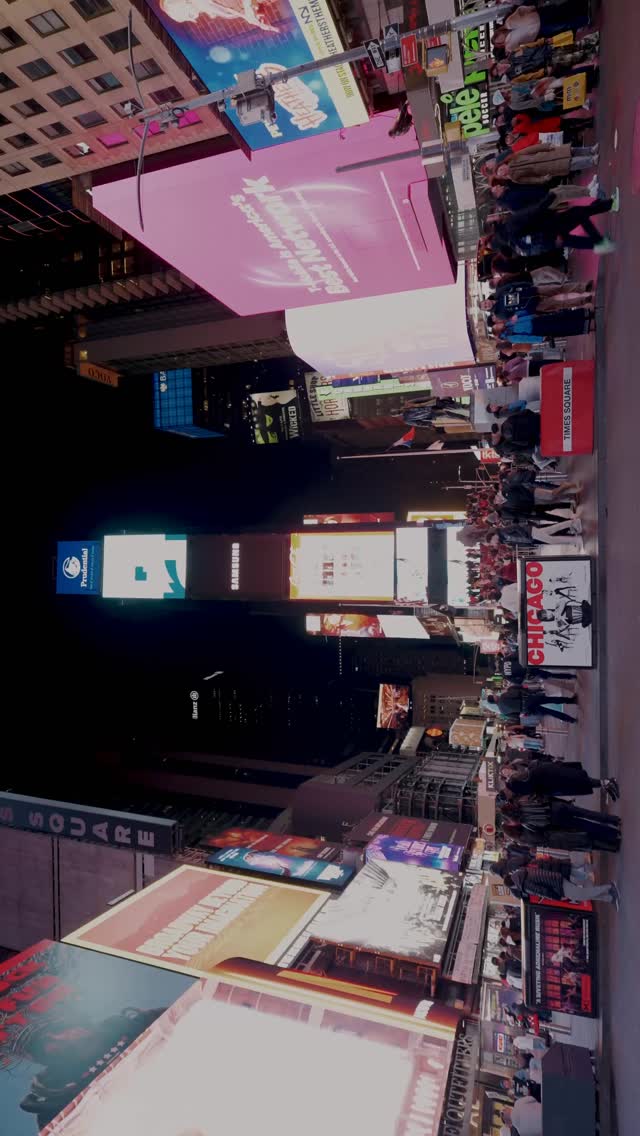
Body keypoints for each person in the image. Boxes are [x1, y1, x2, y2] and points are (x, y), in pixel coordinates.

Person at [505, 865, 620, 907]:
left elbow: (542, 891)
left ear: (513, 885)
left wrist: (557, 897)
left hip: (557, 886)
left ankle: (609, 887)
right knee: (584, 895)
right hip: (556, 878)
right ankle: (609, 898)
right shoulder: (522, 872)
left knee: (582, 895)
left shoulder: (524, 885)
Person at [505, 762, 620, 801]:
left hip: (553, 778)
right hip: (551, 776)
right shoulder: (519, 779)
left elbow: (532, 786)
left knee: (580, 782)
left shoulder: (520, 784)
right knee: (580, 782)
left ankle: (607, 783)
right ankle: (605, 784)